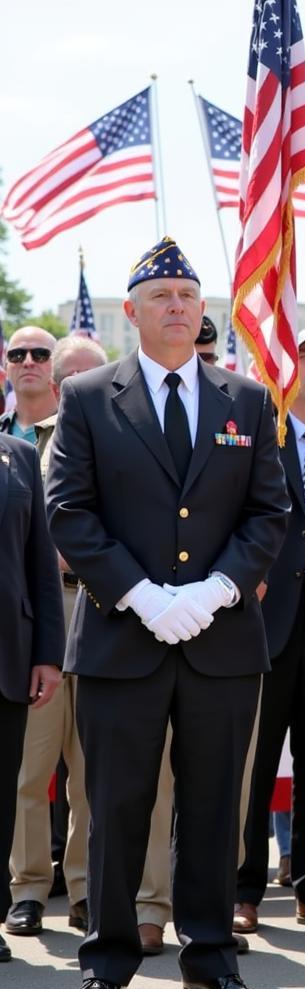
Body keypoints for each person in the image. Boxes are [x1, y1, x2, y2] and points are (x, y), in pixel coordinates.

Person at [46, 237, 289, 989]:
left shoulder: (244, 400)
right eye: (161, 296)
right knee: (115, 807)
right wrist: (144, 596)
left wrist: (217, 588)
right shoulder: (86, 397)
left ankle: (211, 962)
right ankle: (108, 965)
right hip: (124, 638)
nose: (178, 306)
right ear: (132, 312)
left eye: (188, 294)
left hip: (219, 641)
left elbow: (268, 511)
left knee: (216, 809)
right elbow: (69, 512)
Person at [234, 326, 305, 935]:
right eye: (303, 355)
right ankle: (242, 887)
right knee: (254, 759)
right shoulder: (258, 439)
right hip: (265, 616)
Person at [6, 335, 105, 943]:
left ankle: (88, 888)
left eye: (42, 357)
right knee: (28, 765)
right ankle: (27, 890)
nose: (31, 365)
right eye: (20, 355)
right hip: (28, 620)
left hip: (94, 606)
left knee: (92, 768)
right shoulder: (7, 445)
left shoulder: (96, 436)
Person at [0, 434, 64, 965]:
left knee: (3, 789)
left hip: (9, 654)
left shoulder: (18, 455)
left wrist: (46, 652)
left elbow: (41, 561)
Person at [0, 327, 58, 442]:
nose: (28, 362)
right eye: (16, 355)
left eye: (40, 354)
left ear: (57, 364)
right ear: (6, 367)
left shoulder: (77, 430)